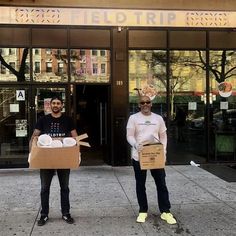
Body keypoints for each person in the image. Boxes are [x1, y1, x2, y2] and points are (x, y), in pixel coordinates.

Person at [126, 95, 177, 225]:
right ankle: (143, 211)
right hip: (139, 155)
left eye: (147, 102)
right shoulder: (133, 118)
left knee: (161, 183)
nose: (145, 104)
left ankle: (165, 211)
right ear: (139, 105)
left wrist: (163, 151)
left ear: (151, 104)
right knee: (140, 184)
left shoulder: (158, 118)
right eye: (142, 102)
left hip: (156, 155)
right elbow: (129, 135)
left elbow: (163, 136)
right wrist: (136, 144)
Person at [29, 96, 78, 226]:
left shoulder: (68, 120)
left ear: (62, 105)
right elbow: (35, 136)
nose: (56, 105)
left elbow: (75, 137)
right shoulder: (43, 120)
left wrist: (76, 154)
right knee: (45, 188)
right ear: (50, 105)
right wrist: (32, 153)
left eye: (58, 103)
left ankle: (66, 213)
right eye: (53, 103)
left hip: (63, 159)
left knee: (65, 187)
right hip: (46, 159)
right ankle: (44, 215)